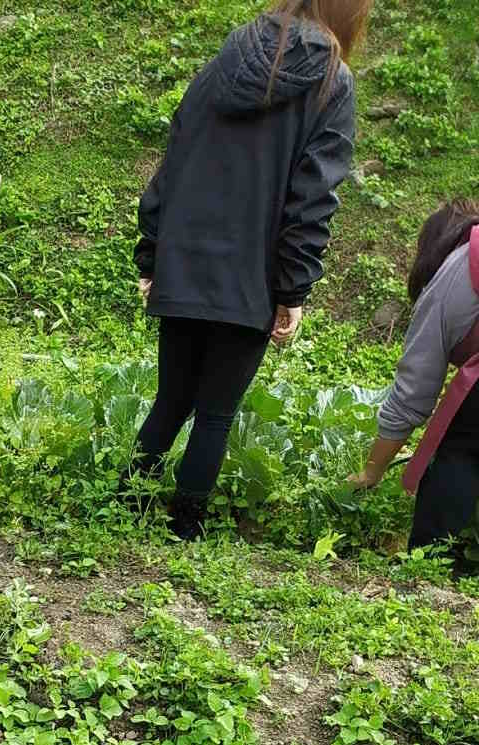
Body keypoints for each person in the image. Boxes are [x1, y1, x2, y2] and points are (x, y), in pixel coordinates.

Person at [128, 0, 365, 538]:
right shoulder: (332, 80)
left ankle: (120, 505)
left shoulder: (230, 54)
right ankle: (183, 529)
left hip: (185, 260)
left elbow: (177, 153)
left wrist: (154, 254)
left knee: (172, 398)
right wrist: (292, 290)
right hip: (249, 276)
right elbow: (312, 199)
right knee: (214, 413)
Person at [348, 199, 479, 559]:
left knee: (460, 450)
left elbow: (415, 389)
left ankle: (430, 564)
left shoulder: (459, 269)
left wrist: (372, 471)